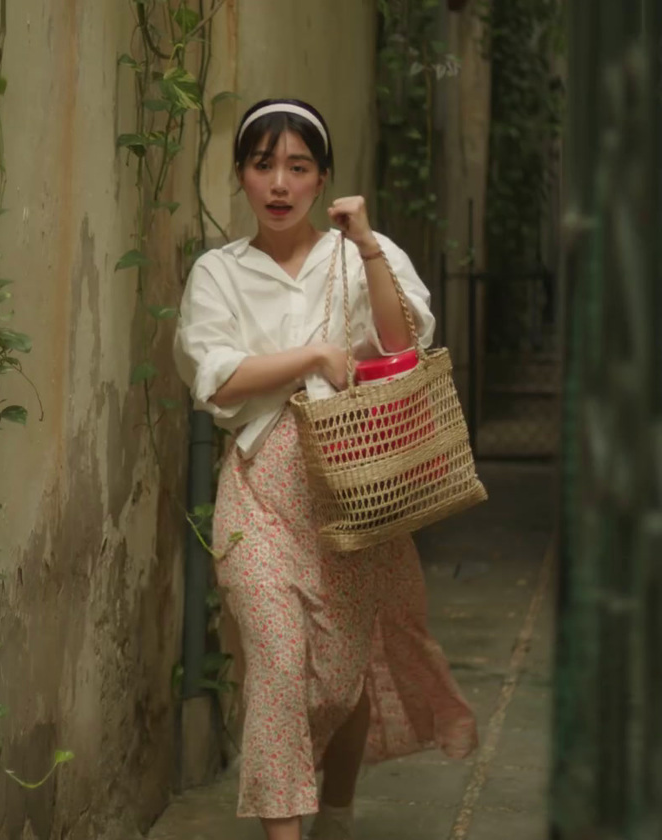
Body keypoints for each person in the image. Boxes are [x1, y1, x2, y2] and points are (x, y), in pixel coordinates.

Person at [173, 98, 479, 840]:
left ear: (322, 180)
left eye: (298, 167)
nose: (279, 183)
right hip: (258, 495)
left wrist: (368, 243)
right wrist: (311, 357)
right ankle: (287, 832)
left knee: (339, 680)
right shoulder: (219, 272)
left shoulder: (361, 254)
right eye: (262, 165)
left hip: (355, 501)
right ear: (241, 176)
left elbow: (401, 341)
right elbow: (214, 379)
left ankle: (334, 815)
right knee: (278, 664)